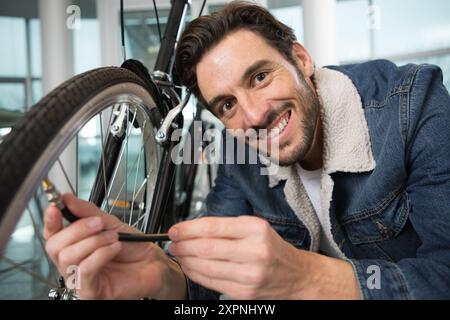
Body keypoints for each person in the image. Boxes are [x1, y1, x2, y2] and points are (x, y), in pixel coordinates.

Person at [44, 1, 450, 299]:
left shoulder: (412, 104)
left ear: (301, 59)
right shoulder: (238, 154)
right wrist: (163, 274)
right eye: (227, 104)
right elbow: (209, 288)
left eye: (259, 77)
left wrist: (304, 277)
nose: (253, 115)